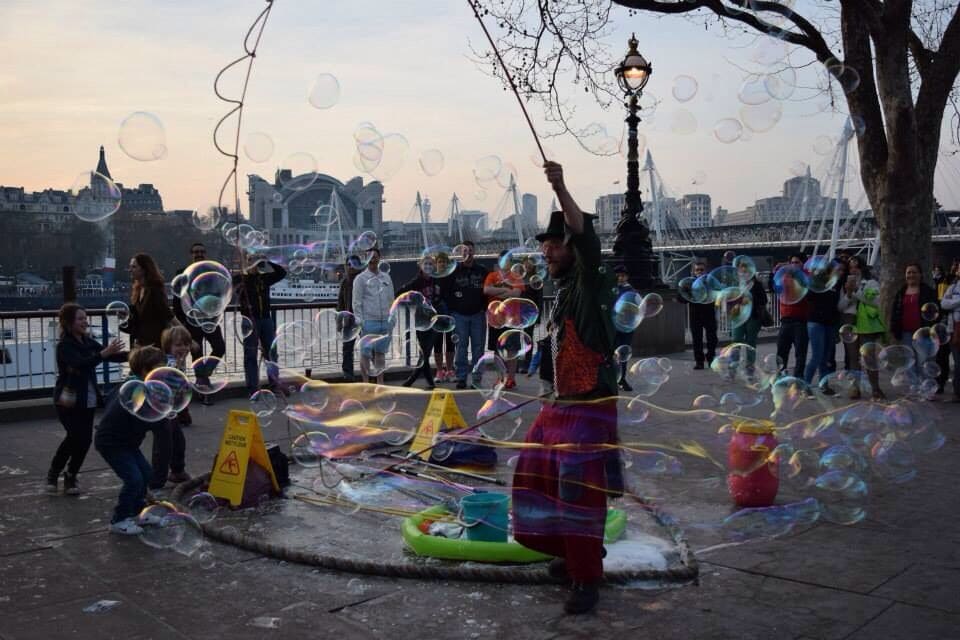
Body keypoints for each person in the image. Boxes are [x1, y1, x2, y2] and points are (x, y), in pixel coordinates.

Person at [512, 161, 620, 615]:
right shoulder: (560, 296)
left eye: (555, 246)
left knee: (577, 490)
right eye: (545, 247)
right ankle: (572, 553)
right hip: (560, 406)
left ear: (574, 249)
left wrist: (560, 185)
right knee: (533, 478)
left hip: (588, 408)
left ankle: (585, 578)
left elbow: (587, 238)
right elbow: (554, 352)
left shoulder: (590, 282)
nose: (548, 253)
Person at [46, 303, 126, 495]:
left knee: (84, 440)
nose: (85, 322)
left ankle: (71, 475)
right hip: (68, 399)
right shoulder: (65, 346)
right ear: (69, 322)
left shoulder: (87, 342)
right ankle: (53, 474)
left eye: (85, 318)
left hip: (87, 398)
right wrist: (103, 353)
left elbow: (110, 357)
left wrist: (138, 354)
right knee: (74, 437)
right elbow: (79, 364)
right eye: (80, 318)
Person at [94, 346, 167, 535]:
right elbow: (149, 418)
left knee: (146, 474)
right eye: (159, 368)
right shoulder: (136, 392)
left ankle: (136, 513)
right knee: (133, 479)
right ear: (145, 371)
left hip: (127, 443)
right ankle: (118, 520)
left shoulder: (134, 385)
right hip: (112, 443)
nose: (163, 372)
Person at [172, 242, 226, 405]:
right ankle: (203, 388)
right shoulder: (182, 273)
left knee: (220, 347)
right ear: (191, 254)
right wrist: (181, 322)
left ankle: (203, 376)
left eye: (202, 251)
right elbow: (177, 299)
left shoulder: (212, 272)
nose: (199, 254)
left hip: (209, 318)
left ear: (205, 254)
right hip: (191, 320)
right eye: (196, 252)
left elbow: (219, 294)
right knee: (197, 352)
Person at [233, 257, 286, 394]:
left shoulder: (264, 278)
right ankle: (253, 388)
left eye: (254, 262)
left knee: (271, 353)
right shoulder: (240, 279)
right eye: (249, 261)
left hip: (266, 318)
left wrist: (267, 261)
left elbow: (282, 272)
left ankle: (274, 384)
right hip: (250, 320)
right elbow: (230, 288)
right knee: (250, 355)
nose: (253, 264)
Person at [440, 240, 489, 390]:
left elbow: (488, 291)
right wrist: (452, 310)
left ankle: (476, 379)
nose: (468, 254)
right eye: (465, 251)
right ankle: (461, 377)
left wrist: (485, 308)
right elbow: (445, 292)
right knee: (460, 347)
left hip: (478, 315)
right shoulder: (453, 271)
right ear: (461, 253)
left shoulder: (482, 271)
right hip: (459, 315)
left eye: (470, 251)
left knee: (478, 348)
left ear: (474, 252)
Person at [149, 326, 193, 490]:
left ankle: (177, 471)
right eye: (178, 345)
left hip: (169, 410)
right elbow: (168, 380)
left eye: (186, 344)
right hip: (161, 410)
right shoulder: (170, 363)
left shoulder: (178, 362)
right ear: (168, 347)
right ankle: (156, 481)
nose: (183, 348)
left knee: (177, 440)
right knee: (163, 445)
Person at [840, 256, 885, 399]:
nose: (854, 270)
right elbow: (840, 307)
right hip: (850, 323)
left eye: (856, 266)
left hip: (866, 325)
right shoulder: (845, 285)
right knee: (853, 358)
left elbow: (876, 302)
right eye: (851, 267)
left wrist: (856, 292)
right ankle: (855, 388)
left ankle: (875, 388)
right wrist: (847, 294)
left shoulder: (871, 283)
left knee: (869, 358)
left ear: (862, 267)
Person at [352, 247, 394, 385]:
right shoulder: (360, 279)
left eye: (375, 256)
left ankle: (380, 383)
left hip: (385, 321)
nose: (373, 259)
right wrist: (360, 321)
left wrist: (392, 318)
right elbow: (356, 302)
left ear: (379, 259)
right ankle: (366, 383)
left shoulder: (386, 277)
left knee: (380, 354)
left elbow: (391, 298)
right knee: (365, 353)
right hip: (369, 321)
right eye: (370, 256)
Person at [484, 251, 525, 389]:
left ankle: (511, 379)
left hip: (512, 319)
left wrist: (497, 290)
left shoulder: (516, 277)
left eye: (508, 260)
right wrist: (505, 291)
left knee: (512, 350)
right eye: (502, 260)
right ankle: (500, 378)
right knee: (497, 351)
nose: (505, 262)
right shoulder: (492, 275)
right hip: (496, 319)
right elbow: (486, 291)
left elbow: (516, 293)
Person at [398, 257, 440, 389]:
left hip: (434, 319)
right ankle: (429, 382)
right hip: (420, 321)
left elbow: (441, 298)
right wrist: (412, 302)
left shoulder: (437, 280)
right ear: (420, 266)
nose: (428, 266)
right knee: (424, 352)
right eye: (425, 264)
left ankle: (412, 379)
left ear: (433, 266)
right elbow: (400, 293)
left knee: (426, 352)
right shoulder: (416, 282)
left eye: (430, 264)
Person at [890, 263, 939, 374]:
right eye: (909, 272)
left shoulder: (928, 291)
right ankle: (914, 387)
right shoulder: (900, 293)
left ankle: (925, 388)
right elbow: (895, 312)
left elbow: (935, 311)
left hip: (924, 333)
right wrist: (894, 329)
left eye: (914, 272)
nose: (911, 275)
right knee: (909, 363)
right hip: (906, 333)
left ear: (920, 275)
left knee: (924, 363)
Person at [803, 262, 842, 387]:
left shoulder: (837, 285)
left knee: (825, 358)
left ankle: (824, 385)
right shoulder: (817, 283)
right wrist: (815, 279)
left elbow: (837, 306)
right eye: (837, 270)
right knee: (817, 356)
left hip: (830, 323)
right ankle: (806, 385)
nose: (840, 272)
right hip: (816, 322)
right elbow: (808, 297)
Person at [124, 253, 172, 349]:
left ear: (144, 269)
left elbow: (168, 314)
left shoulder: (155, 290)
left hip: (154, 343)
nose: (130, 270)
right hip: (140, 342)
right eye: (130, 267)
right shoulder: (138, 289)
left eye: (134, 267)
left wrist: (186, 337)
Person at [772, 255, 809, 378]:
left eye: (797, 262)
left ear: (803, 264)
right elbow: (774, 288)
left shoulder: (806, 277)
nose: (794, 265)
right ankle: (780, 377)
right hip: (786, 320)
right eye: (792, 262)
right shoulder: (784, 277)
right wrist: (774, 273)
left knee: (800, 353)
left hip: (801, 321)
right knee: (781, 352)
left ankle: (799, 379)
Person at [683, 261, 718, 370]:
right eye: (697, 270)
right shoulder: (689, 283)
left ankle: (710, 357)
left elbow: (719, 292)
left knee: (712, 338)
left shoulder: (710, 281)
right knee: (696, 339)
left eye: (701, 270)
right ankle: (699, 362)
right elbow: (681, 299)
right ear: (693, 271)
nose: (699, 272)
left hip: (709, 313)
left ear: (705, 270)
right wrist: (686, 292)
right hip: (695, 315)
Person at [432, 253, 456, 382]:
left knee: (450, 342)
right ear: (436, 263)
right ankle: (439, 371)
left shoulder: (451, 277)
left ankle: (450, 370)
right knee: (437, 344)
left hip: (450, 313)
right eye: (440, 261)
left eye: (444, 262)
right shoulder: (433, 278)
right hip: (436, 315)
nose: (442, 264)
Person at [336, 262, 361, 382]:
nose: (351, 266)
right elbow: (340, 303)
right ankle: (348, 375)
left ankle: (371, 374)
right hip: (349, 319)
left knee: (368, 347)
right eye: (348, 264)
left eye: (353, 264)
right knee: (347, 349)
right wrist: (339, 321)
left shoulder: (362, 279)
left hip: (362, 318)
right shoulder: (345, 282)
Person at [612, 265, 636, 390]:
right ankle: (612, 379)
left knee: (623, 353)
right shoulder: (611, 289)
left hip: (626, 327)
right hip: (613, 326)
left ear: (627, 277)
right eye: (618, 276)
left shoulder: (631, 291)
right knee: (611, 354)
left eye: (623, 276)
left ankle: (622, 379)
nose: (620, 278)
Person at [731, 270, 767, 353]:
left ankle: (750, 363)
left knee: (751, 340)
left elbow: (764, 300)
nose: (744, 274)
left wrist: (750, 299)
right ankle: (734, 362)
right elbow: (729, 299)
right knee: (736, 339)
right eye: (741, 272)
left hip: (753, 316)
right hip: (738, 316)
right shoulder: (735, 284)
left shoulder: (757, 285)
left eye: (746, 271)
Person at [939, 274, 960, 402]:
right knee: (958, 363)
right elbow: (944, 304)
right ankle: (957, 392)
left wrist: (954, 304)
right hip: (955, 330)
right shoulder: (952, 287)